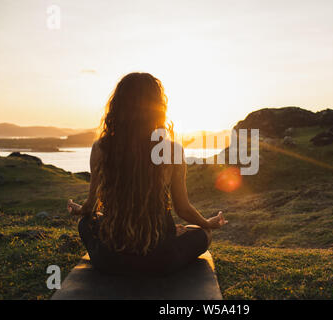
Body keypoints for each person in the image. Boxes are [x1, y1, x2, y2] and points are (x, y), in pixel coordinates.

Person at [67, 72, 227, 276]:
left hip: (110, 258)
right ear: (157, 108)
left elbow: (91, 207)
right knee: (203, 234)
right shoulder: (171, 150)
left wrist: (80, 210)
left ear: (118, 106)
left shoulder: (101, 148)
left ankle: (164, 235)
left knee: (85, 223)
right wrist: (207, 223)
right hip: (161, 259)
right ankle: (167, 235)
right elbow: (183, 208)